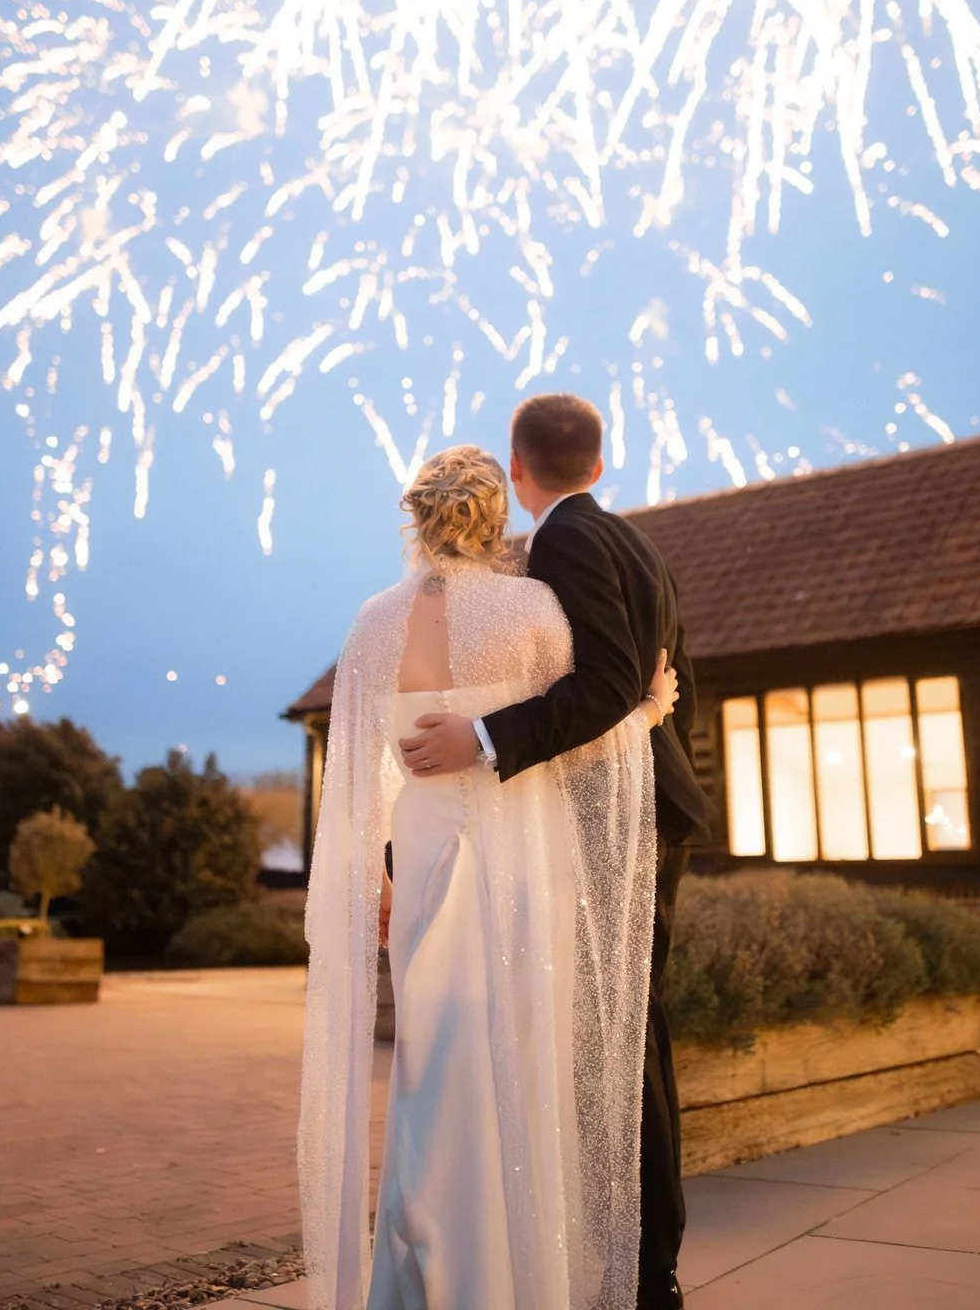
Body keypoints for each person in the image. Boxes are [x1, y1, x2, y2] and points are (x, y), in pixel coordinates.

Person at [299, 443, 677, 1310]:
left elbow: (358, 776)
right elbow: (574, 729)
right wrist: (649, 708)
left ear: (417, 517)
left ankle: (422, 1264)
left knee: (432, 1063)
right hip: (518, 861)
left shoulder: (371, 623)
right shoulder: (531, 607)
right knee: (516, 1055)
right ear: (494, 518)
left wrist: (379, 879)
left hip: (424, 858)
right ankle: (504, 1274)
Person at [399, 396, 710, 1310]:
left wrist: (486, 739)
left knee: (620, 1038)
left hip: (622, 818)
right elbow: (654, 681)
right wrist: (653, 711)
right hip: (653, 800)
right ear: (600, 465)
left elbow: (609, 680)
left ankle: (645, 1268)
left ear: (518, 467)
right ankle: (628, 1254)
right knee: (628, 1034)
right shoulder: (635, 541)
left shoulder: (566, 546)